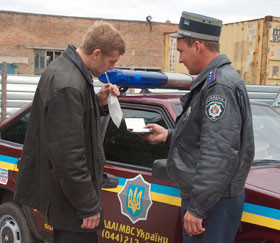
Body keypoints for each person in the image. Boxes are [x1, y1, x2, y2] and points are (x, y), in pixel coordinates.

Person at [143, 11, 254, 243]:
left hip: (213, 202)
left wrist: (198, 208)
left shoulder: (219, 86)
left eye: (181, 51)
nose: (180, 59)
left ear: (197, 45)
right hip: (213, 197)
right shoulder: (214, 80)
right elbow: (206, 138)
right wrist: (170, 136)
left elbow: (219, 152)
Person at [14, 21, 125, 243]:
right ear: (96, 53)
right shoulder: (69, 84)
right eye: (111, 61)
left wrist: (98, 102)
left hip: (66, 199)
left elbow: (68, 123)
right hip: (72, 205)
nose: (111, 68)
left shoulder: (64, 70)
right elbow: (68, 156)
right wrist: (88, 206)